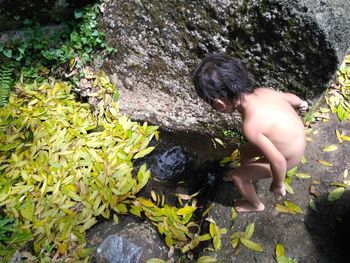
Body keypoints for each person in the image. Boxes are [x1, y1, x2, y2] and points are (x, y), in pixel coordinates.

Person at [192, 53, 308, 212]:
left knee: (237, 176)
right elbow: (290, 98)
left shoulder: (251, 126)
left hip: (288, 158)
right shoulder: (263, 91)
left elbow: (279, 161)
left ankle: (254, 204)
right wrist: (301, 103)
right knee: (244, 150)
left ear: (219, 103)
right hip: (297, 140)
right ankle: (249, 173)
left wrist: (277, 184)